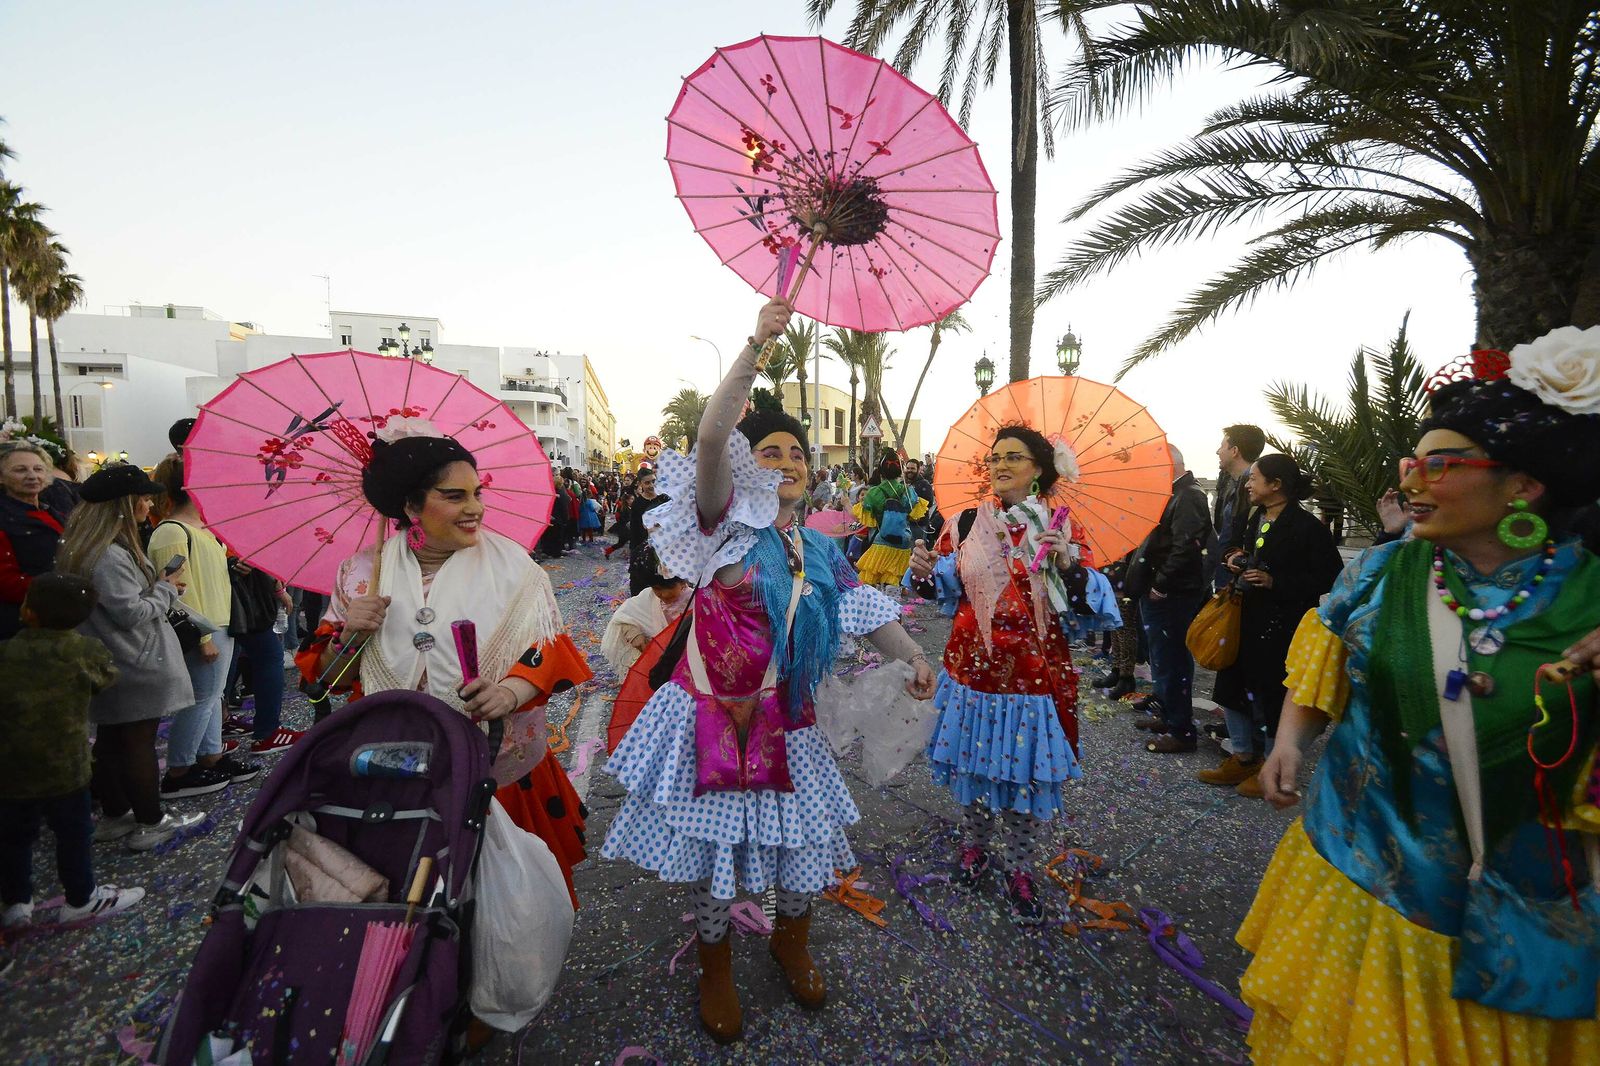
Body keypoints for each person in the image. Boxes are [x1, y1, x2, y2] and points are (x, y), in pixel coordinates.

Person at [1239, 335, 1600, 1064]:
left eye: (1438, 465)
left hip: (1518, 919)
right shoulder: (1375, 575)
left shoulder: (1586, 596)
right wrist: (1286, 742)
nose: (1411, 483)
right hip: (1359, 875)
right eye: (1411, 465)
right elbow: (1323, 675)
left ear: (1522, 486)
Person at [601, 299, 936, 1045]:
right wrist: (756, 343)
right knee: (718, 847)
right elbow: (715, 436)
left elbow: (861, 608)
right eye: (773, 452)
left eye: (797, 454)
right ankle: (715, 964)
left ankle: (792, 939)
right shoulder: (719, 524)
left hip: (792, 720)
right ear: (749, 469)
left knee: (801, 846)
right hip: (714, 718)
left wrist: (911, 656)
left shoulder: (818, 549)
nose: (788, 463)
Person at [299, 425, 592, 909]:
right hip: (394, 777)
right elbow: (330, 680)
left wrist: (510, 693)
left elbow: (547, 651)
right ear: (411, 507)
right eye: (453, 496)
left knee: (503, 912)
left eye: (477, 493)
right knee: (410, 910)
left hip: (497, 773)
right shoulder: (359, 574)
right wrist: (351, 635)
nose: (474, 508)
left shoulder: (515, 568)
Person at [907, 424, 1092, 924]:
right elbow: (943, 589)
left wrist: (1066, 565)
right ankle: (976, 847)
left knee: (1025, 777)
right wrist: (923, 571)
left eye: (1014, 456)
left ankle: (1019, 866)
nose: (1001, 465)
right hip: (972, 672)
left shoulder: (1059, 524)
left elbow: (1087, 609)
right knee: (974, 766)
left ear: (1039, 468)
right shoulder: (967, 522)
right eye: (995, 458)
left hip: (1033, 677)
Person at [55, 464, 205, 851]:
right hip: (136, 658)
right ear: (121, 505)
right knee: (137, 742)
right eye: (140, 498)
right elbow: (131, 612)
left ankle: (117, 813)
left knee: (110, 741)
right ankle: (150, 821)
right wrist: (167, 589)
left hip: (109, 659)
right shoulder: (108, 555)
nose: (148, 503)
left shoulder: (83, 547)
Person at [0, 574, 144, 927]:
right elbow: (105, 679)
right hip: (67, 767)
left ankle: (17, 902)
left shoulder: (6, 651)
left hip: (11, 768)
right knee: (73, 834)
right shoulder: (86, 651)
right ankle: (81, 897)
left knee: (15, 837)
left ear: (28, 612)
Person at [1197, 454, 1343, 795]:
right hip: (1244, 619)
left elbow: (1329, 577)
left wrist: (1275, 581)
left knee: (1273, 695)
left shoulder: (1307, 528)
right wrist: (1234, 560)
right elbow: (1234, 548)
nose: (1248, 484)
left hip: (1281, 627)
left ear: (1275, 485)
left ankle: (1273, 767)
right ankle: (1243, 757)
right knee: (1231, 687)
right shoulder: (1254, 517)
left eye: (1255, 478)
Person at [149, 457, 262, 799]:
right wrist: (203, 636)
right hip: (202, 629)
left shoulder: (202, 530)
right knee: (201, 698)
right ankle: (180, 770)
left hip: (220, 624)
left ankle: (210, 757)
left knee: (213, 697)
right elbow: (180, 592)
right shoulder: (171, 530)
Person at [1124, 446, 1210, 751]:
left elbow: (1186, 546)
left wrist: (1161, 584)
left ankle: (1181, 730)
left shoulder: (1189, 495)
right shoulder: (1174, 494)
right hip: (1160, 590)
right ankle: (1168, 711)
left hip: (1172, 593)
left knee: (1172, 659)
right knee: (1162, 658)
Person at [1, 441, 70, 640]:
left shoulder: (52, 512)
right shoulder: (5, 519)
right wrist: (63, 589)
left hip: (60, 616)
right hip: (24, 625)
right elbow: (6, 582)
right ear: (1, 477)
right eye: (20, 470)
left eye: (38, 469)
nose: (32, 476)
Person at [851, 453, 930, 588]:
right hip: (903, 543)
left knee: (871, 578)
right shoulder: (908, 491)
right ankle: (893, 604)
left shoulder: (874, 493)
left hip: (883, 541)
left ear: (881, 472)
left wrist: (847, 504)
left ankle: (876, 605)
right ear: (900, 471)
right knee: (893, 580)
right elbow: (915, 515)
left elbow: (867, 520)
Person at [1209, 425, 1266, 589]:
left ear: (1234, 451)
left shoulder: (1254, 490)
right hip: (1228, 573)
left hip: (1239, 580)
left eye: (1222, 446)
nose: (1218, 451)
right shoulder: (1231, 482)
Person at [599, 572, 689, 676]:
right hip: (655, 660)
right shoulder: (648, 596)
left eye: (669, 587)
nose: (663, 594)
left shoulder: (694, 600)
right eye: (657, 589)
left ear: (683, 582)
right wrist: (634, 634)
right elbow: (622, 617)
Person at [625, 468, 669, 596]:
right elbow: (634, 530)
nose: (651, 485)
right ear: (640, 484)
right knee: (642, 584)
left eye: (653, 481)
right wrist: (634, 552)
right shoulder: (637, 504)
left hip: (664, 548)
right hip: (645, 548)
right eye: (647, 483)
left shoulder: (664, 499)